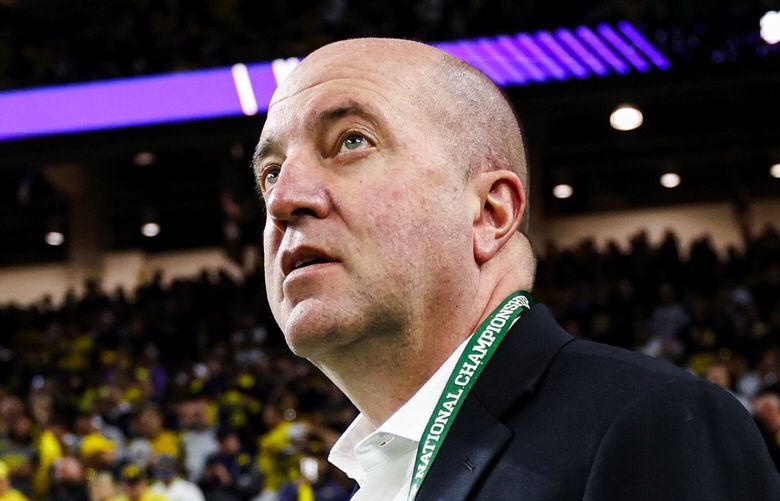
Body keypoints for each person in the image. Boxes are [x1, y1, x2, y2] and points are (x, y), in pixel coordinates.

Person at [253, 37, 780, 500]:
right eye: (271, 173)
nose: (282, 199)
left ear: (489, 213)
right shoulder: (374, 475)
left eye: (351, 141)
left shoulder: (655, 426)